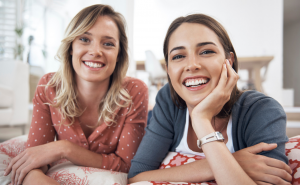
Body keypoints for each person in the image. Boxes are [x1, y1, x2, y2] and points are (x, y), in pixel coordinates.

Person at [128, 14, 292, 185]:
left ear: (229, 60)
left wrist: (201, 119)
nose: (192, 65)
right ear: (168, 69)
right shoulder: (168, 100)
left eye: (206, 51)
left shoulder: (262, 110)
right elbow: (137, 176)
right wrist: (226, 163)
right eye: (178, 56)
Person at [4, 4, 148, 185]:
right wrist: (33, 173)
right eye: (84, 39)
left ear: (119, 54)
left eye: (108, 43)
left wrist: (64, 148)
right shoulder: (49, 87)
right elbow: (35, 159)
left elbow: (127, 165)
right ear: (71, 46)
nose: (96, 51)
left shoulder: (134, 91)